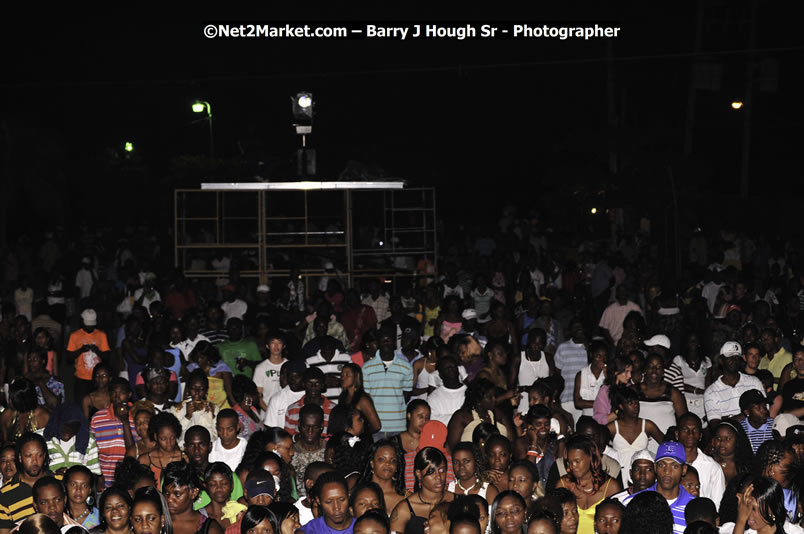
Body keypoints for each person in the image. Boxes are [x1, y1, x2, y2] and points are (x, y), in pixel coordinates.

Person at [621, 441, 695, 534]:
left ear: (684, 470)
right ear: (655, 468)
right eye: (662, 465)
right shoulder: (632, 503)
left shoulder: (694, 507)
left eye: (674, 466)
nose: (667, 471)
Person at [557, 436, 621, 534]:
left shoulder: (610, 487)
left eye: (577, 461)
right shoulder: (563, 484)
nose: (572, 466)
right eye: (570, 462)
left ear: (591, 458)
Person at [363, 329, 414, 439]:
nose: (386, 342)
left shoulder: (406, 367)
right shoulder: (367, 367)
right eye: (383, 340)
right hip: (376, 426)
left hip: (398, 425)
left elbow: (407, 395)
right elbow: (366, 397)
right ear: (377, 343)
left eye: (389, 340)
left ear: (395, 343)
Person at [390, 447, 455, 534]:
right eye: (431, 472)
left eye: (442, 470)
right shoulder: (403, 510)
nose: (439, 477)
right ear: (419, 474)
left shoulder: (456, 501)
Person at [606, 386, 664, 483]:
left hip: (643, 476)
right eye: (630, 403)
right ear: (621, 406)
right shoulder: (612, 428)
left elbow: (666, 444)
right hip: (620, 475)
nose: (636, 406)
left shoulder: (647, 425)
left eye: (637, 402)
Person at [90, 378, 138, 488]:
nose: (117, 397)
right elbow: (91, 449)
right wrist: (98, 474)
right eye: (113, 393)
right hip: (104, 479)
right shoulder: (98, 418)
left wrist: (125, 420)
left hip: (131, 480)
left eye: (122, 393)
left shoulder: (137, 416)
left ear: (129, 394)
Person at [0, 433, 54, 530]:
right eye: (28, 456)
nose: (34, 461)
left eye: (39, 455)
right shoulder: (4, 494)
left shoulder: (58, 481)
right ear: (20, 457)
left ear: (45, 455)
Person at [703, 342, 763, 428]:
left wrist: (727, 419)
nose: (734, 360)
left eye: (737, 357)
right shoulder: (711, 392)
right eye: (730, 357)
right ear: (721, 361)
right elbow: (716, 426)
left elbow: (763, 414)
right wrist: (747, 413)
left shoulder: (754, 382)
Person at [674, 413, 725, 510]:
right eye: (685, 430)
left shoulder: (713, 467)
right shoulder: (667, 465)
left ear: (700, 436)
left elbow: (718, 504)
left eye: (695, 430)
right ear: (677, 434)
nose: (690, 434)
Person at [447, 379, 513, 451]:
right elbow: (454, 448)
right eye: (490, 397)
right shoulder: (461, 416)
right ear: (478, 399)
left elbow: (511, 442)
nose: (494, 399)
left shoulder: (499, 414)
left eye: (494, 396)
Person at [162, 461, 224, 534]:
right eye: (166, 493)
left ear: (193, 493)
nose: (169, 499)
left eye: (177, 494)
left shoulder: (210, 529)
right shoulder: (157, 523)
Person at [43, 402, 102, 477]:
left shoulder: (89, 440)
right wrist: (53, 474)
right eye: (64, 431)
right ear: (57, 423)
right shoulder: (42, 438)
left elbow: (95, 474)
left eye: (73, 430)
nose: (67, 436)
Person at [67, 308, 111, 401]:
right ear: (82, 322)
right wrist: (81, 350)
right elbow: (69, 357)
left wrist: (97, 351)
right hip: (81, 377)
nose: (90, 327)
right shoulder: (75, 335)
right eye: (88, 325)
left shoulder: (101, 335)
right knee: (80, 404)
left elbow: (107, 357)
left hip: (97, 379)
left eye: (91, 325)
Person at [638, 352, 687, 436]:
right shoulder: (634, 391)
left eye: (659, 367)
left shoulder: (673, 393)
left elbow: (685, 421)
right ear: (645, 369)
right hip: (639, 442)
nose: (654, 370)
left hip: (666, 443)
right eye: (650, 366)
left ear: (663, 371)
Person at [358, 440, 408, 516]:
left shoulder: (407, 497)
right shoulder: (359, 494)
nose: (388, 463)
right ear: (372, 463)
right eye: (381, 459)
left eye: (393, 461)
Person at [138, 412, 188, 486]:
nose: (169, 442)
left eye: (172, 438)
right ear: (155, 437)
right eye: (163, 439)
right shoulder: (145, 460)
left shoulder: (184, 458)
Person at [553, 321, 589, 425]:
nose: (579, 329)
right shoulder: (562, 348)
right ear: (570, 331)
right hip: (566, 398)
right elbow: (557, 374)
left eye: (580, 327)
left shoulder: (589, 349)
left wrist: (588, 348)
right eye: (575, 327)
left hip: (584, 400)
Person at [513, 406, 557, 489]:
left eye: (546, 424)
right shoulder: (521, 443)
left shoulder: (553, 443)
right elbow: (527, 471)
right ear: (530, 426)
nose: (543, 428)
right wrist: (534, 442)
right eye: (538, 424)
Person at [753, 440, 798, 522]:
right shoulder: (751, 496)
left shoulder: (792, 495)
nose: (792, 472)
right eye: (789, 467)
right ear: (771, 469)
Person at [171, 369, 218, 445]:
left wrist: (208, 415)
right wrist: (187, 417)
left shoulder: (213, 409)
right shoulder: (177, 409)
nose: (197, 392)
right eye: (193, 388)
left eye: (201, 389)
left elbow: (216, 437)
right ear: (188, 389)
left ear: (206, 390)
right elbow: (174, 436)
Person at [673, 332, 712, 421]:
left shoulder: (707, 361)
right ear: (686, 344)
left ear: (699, 343)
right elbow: (676, 383)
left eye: (695, 341)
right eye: (690, 341)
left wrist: (708, 402)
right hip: (685, 401)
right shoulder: (678, 360)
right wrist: (697, 390)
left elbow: (708, 383)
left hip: (702, 402)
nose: (693, 343)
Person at [285, 368, 334, 437]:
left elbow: (335, 436)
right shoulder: (292, 410)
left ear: (322, 385)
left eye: (317, 384)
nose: (313, 387)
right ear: (303, 384)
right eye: (309, 384)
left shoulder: (333, 410)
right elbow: (288, 437)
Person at [515, 330, 553, 416]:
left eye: (540, 345)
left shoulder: (548, 358)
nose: (537, 347)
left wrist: (525, 388)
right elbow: (512, 386)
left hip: (543, 408)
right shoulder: (518, 359)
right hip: (524, 406)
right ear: (529, 342)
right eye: (534, 344)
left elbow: (552, 383)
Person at [291, 405, 328, 494]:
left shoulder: (329, 451)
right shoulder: (290, 452)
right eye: (305, 426)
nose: (310, 432)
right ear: (299, 424)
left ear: (322, 426)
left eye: (315, 427)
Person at [0, 378, 51, 442]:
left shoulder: (42, 416)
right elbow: (5, 442)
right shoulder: (7, 414)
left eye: (13, 399)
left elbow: (46, 444)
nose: (10, 401)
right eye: (10, 397)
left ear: (24, 400)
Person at [188, 341, 234, 410]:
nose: (199, 360)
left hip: (223, 407)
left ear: (209, 357)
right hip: (203, 409)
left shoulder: (222, 368)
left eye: (202, 357)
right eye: (197, 357)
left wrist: (237, 408)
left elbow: (230, 392)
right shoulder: (193, 369)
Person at [339, 363, 382, 435]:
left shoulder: (363, 400)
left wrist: (361, 433)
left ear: (356, 377)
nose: (343, 378)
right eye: (342, 375)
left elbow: (376, 426)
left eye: (347, 375)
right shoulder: (343, 397)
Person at [709, 420, 754, 487]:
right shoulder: (708, 464)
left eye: (727, 438)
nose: (722, 442)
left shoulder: (747, 465)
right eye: (718, 438)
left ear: (737, 440)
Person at [264, 361, 306, 428]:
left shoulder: (311, 396)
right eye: (291, 376)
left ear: (304, 377)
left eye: (297, 376)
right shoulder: (277, 398)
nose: (293, 380)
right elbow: (271, 427)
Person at [592, 354, 632, 425]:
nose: (630, 376)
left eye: (630, 372)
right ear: (616, 372)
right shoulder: (605, 391)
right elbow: (598, 420)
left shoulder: (629, 388)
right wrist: (617, 412)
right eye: (626, 372)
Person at [429, 358, 468, 426]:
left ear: (458, 371)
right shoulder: (433, 397)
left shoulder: (470, 392)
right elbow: (433, 421)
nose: (450, 369)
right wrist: (460, 418)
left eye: (452, 366)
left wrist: (444, 417)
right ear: (440, 375)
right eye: (446, 368)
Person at [253, 332, 288, 409]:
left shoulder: (290, 366)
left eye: (279, 343)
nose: (276, 346)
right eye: (273, 343)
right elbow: (258, 395)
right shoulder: (260, 368)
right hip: (266, 413)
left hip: (286, 412)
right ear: (267, 346)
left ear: (284, 346)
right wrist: (269, 412)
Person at [574, 341, 607, 418]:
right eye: (599, 356)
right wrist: (600, 403)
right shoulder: (581, 375)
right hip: (587, 417)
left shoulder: (608, 374)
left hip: (605, 417)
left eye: (605, 357)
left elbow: (613, 399)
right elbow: (578, 403)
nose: (602, 359)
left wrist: (607, 377)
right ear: (591, 355)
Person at [232, 375, 264, 439]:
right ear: (247, 395)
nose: (259, 395)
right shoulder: (237, 415)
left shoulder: (253, 409)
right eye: (256, 392)